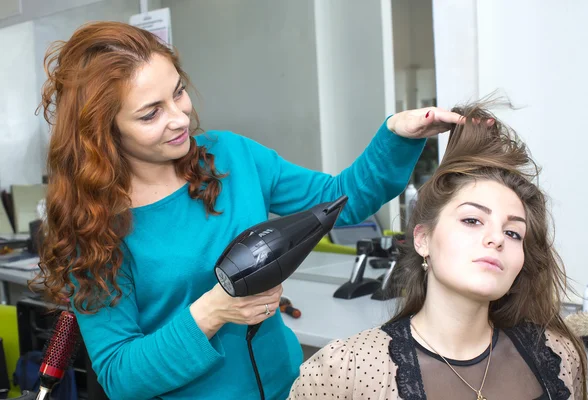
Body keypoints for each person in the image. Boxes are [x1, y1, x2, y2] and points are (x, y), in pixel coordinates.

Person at [33, 21, 463, 400]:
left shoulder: (231, 157)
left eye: (178, 91)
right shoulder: (94, 226)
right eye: (150, 114)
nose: (180, 118)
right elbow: (120, 376)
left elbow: (340, 199)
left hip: (288, 387)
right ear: (103, 132)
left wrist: (398, 135)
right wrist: (213, 311)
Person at [288, 101, 588, 400]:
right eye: (472, 220)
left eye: (513, 233)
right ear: (422, 240)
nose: (496, 239)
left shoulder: (560, 356)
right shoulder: (343, 372)